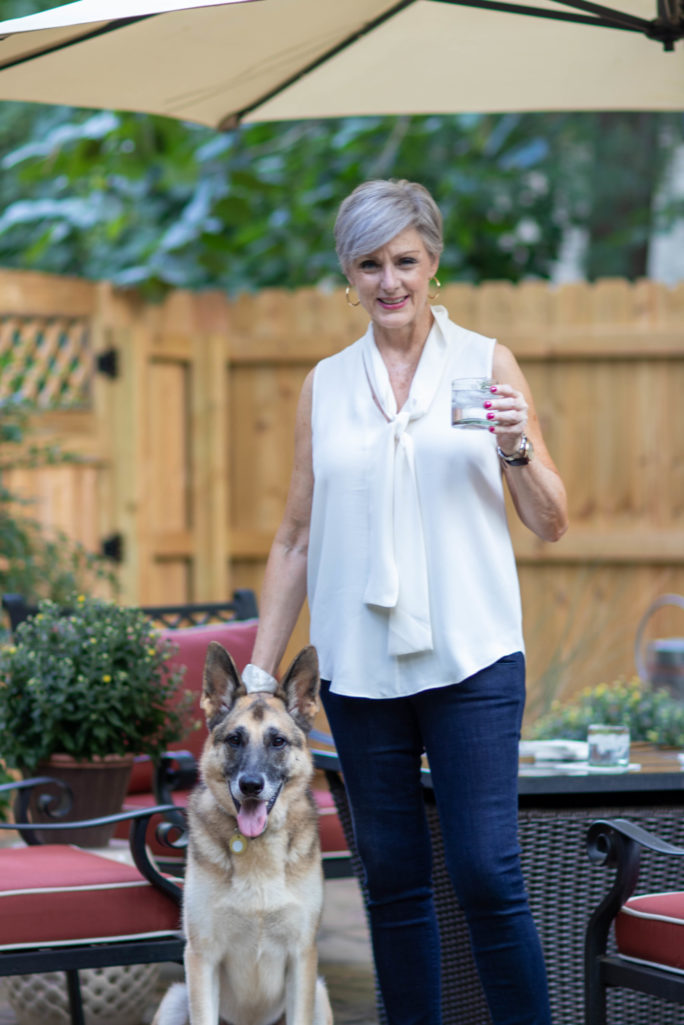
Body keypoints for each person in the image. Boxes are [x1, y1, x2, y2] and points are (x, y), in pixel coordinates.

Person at [243, 179, 568, 1025]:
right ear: (347, 275)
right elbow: (295, 538)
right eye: (370, 264)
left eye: (405, 261)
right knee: (391, 881)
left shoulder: (485, 362)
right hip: (360, 669)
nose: (390, 281)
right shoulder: (326, 383)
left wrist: (516, 445)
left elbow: (553, 521)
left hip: (473, 658)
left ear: (433, 262)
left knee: (487, 873)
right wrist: (257, 671)